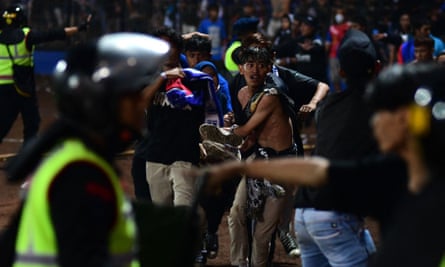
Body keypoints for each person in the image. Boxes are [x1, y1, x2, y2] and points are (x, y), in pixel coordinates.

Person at [200, 62, 445, 267]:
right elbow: (317, 171)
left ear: (408, 118)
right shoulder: (392, 173)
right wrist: (238, 168)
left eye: (380, 112)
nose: (374, 121)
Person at [3, 32, 170, 266]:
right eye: (132, 97)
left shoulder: (71, 162)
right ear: (101, 106)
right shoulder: (81, 175)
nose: (141, 103)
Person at [294, 29, 380, 267]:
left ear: (340, 71)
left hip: (303, 213)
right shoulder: (379, 107)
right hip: (334, 215)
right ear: (378, 67)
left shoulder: (328, 106)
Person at [228, 46, 297, 267]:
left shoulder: (271, 96)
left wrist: (222, 133)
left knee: (262, 232)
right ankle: (239, 263)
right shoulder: (242, 94)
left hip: (281, 165)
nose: (255, 70)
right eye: (250, 65)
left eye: (260, 65)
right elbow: (253, 136)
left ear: (268, 68)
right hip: (259, 159)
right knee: (237, 213)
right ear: (241, 69)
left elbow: (245, 130)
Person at [0, 4, 91, 147]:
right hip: (22, 87)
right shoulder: (26, 35)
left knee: (3, 124)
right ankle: (27, 156)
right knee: (31, 123)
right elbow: (52, 34)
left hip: (2, 88)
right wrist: (78, 28)